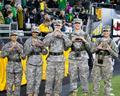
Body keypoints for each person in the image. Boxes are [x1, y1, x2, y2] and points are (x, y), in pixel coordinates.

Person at [43, 19, 72, 96]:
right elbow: (44, 44)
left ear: (61, 26)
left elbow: (69, 44)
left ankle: (57, 93)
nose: (57, 27)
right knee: (49, 78)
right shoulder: (49, 35)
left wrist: (62, 36)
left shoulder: (64, 35)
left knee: (59, 79)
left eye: (59, 25)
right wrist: (53, 35)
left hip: (60, 59)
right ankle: (48, 93)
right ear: (54, 26)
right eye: (56, 25)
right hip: (51, 59)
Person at [91, 25, 118, 96]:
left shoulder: (112, 42)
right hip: (97, 63)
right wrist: (97, 48)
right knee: (95, 80)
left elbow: (116, 55)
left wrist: (109, 49)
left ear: (110, 32)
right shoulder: (98, 40)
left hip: (107, 64)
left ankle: (107, 94)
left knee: (107, 81)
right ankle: (95, 94)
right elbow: (91, 51)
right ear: (102, 32)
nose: (106, 32)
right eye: (104, 31)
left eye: (107, 31)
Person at [69, 18, 91, 96]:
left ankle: (85, 91)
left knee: (84, 75)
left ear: (81, 24)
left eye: (79, 23)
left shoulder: (85, 34)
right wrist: (72, 40)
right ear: (73, 24)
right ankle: (73, 90)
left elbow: (90, 48)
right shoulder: (70, 34)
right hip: (73, 57)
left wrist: (84, 40)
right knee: (73, 75)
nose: (77, 24)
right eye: (76, 23)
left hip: (83, 56)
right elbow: (66, 46)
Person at [24, 26, 47, 96]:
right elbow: (26, 53)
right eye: (34, 32)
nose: (35, 33)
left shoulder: (40, 41)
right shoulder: (28, 41)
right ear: (32, 33)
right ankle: (30, 93)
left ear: (38, 33)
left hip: (39, 62)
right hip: (31, 62)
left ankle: (36, 93)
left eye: (36, 32)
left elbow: (45, 52)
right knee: (30, 80)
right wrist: (32, 46)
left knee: (38, 80)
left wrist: (42, 47)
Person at [0, 31, 24, 96]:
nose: (14, 36)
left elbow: (24, 57)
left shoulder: (20, 45)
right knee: (9, 84)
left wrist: (20, 50)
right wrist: (10, 49)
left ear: (17, 37)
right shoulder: (6, 45)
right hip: (10, 65)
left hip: (18, 66)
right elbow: (2, 55)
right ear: (10, 37)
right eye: (12, 35)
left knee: (18, 84)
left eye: (15, 35)